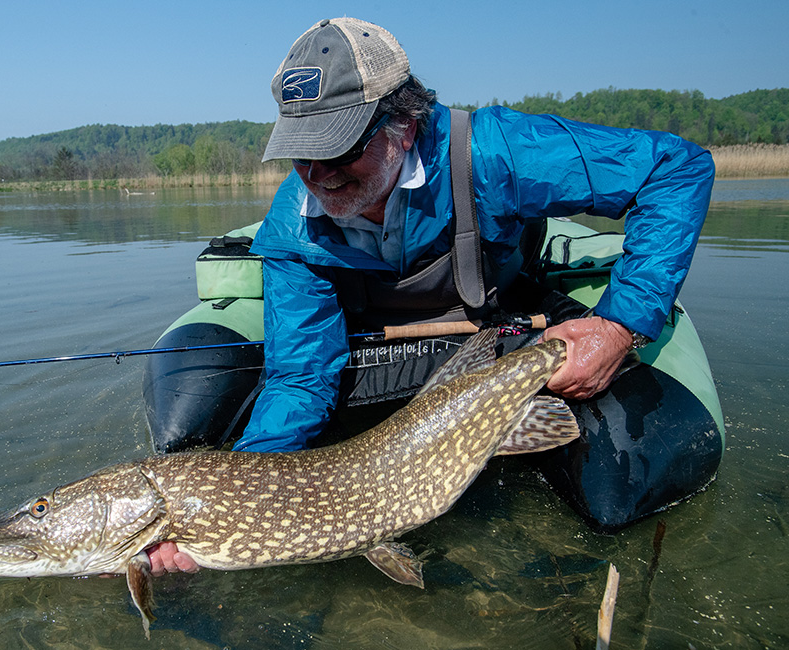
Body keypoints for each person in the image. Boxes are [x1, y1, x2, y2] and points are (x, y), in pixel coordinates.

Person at [149, 17, 714, 575]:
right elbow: (300, 375)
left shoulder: (493, 151)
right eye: (301, 153)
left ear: (405, 127)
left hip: (502, 329)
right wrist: (251, 494)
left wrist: (618, 325)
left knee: (620, 490)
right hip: (379, 350)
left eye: (338, 148)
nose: (317, 174)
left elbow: (676, 168)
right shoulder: (292, 229)